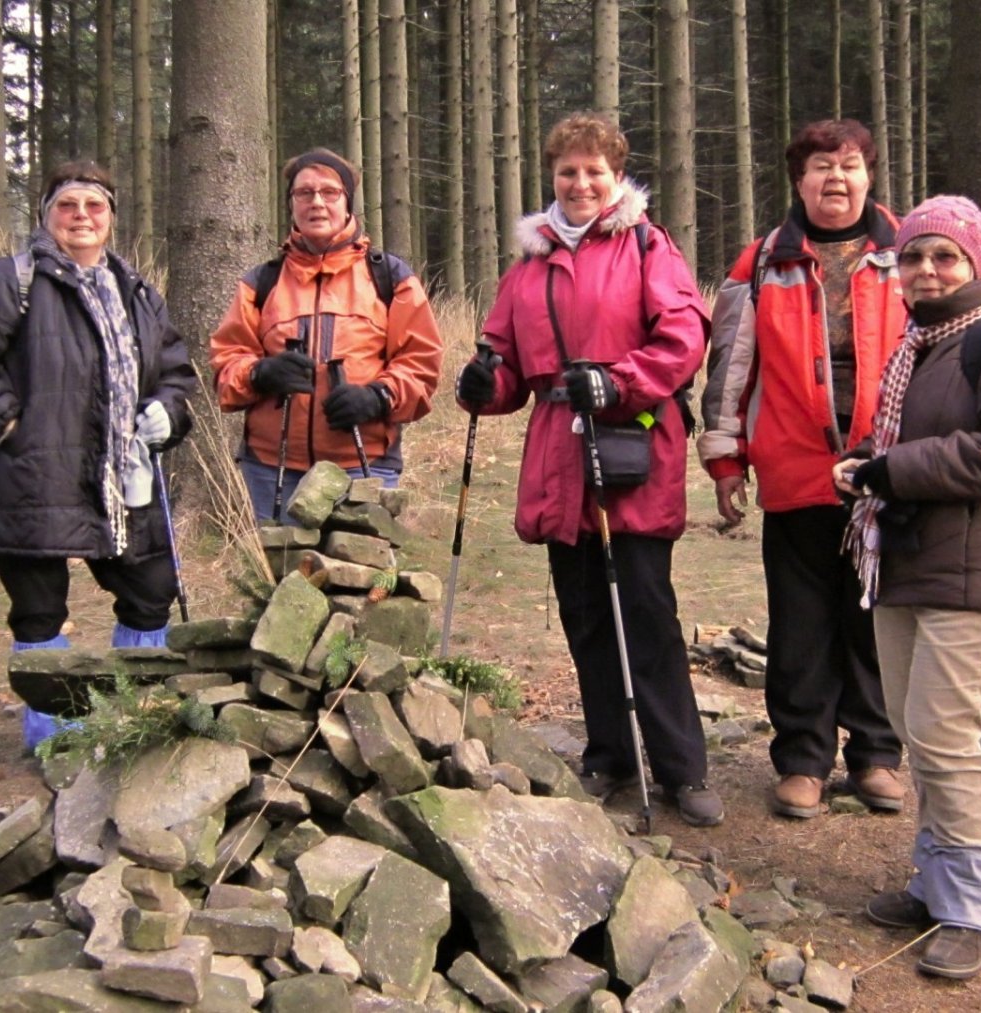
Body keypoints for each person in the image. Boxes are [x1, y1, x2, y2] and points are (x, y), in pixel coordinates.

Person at [455, 112, 722, 827]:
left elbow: (684, 336)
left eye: (594, 172)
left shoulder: (648, 247)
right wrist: (484, 382)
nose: (580, 184)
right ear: (552, 176)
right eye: (568, 171)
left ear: (616, 177)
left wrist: (616, 381)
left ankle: (682, 766)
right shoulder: (528, 266)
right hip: (559, 457)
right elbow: (506, 364)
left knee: (645, 611)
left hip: (631, 450)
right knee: (584, 614)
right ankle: (609, 754)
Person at [833, 195, 981, 980]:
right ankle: (936, 883)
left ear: (977, 264)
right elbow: (911, 437)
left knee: (945, 736)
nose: (926, 269)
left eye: (945, 256)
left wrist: (891, 470)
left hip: (977, 571)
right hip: (907, 562)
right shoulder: (918, 347)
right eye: (913, 256)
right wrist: (865, 461)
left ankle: (972, 906)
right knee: (914, 729)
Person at [0, 161, 198, 751]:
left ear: (111, 218)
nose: (81, 216)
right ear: (45, 216)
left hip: (123, 480)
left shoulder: (137, 292)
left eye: (94, 206)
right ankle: (55, 739)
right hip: (27, 479)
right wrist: (10, 428)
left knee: (151, 591)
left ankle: (136, 720)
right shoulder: (8, 282)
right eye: (67, 205)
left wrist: (168, 410)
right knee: (38, 608)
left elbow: (175, 371)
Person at [699, 119, 907, 820]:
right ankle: (803, 760)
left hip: (889, 473)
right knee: (800, 625)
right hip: (794, 470)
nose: (835, 179)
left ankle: (877, 755)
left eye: (849, 165)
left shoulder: (908, 251)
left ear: (869, 176)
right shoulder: (762, 262)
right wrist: (725, 457)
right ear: (799, 180)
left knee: (876, 619)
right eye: (821, 166)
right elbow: (731, 367)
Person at [210, 148, 443, 521]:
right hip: (273, 469)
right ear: (291, 204)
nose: (316, 202)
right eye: (304, 193)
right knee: (282, 562)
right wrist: (259, 374)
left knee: (360, 562)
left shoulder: (389, 277)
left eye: (329, 192)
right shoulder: (262, 282)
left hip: (364, 465)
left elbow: (422, 365)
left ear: (348, 202)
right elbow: (226, 367)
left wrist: (378, 397)